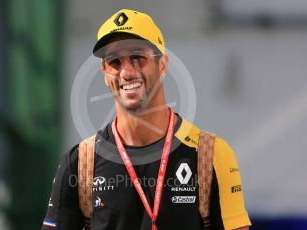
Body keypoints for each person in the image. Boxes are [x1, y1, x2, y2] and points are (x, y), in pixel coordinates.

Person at [42, 9, 251, 230]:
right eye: (115, 62)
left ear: (162, 65)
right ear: (104, 72)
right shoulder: (81, 163)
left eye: (138, 58)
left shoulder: (211, 154)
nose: (127, 72)